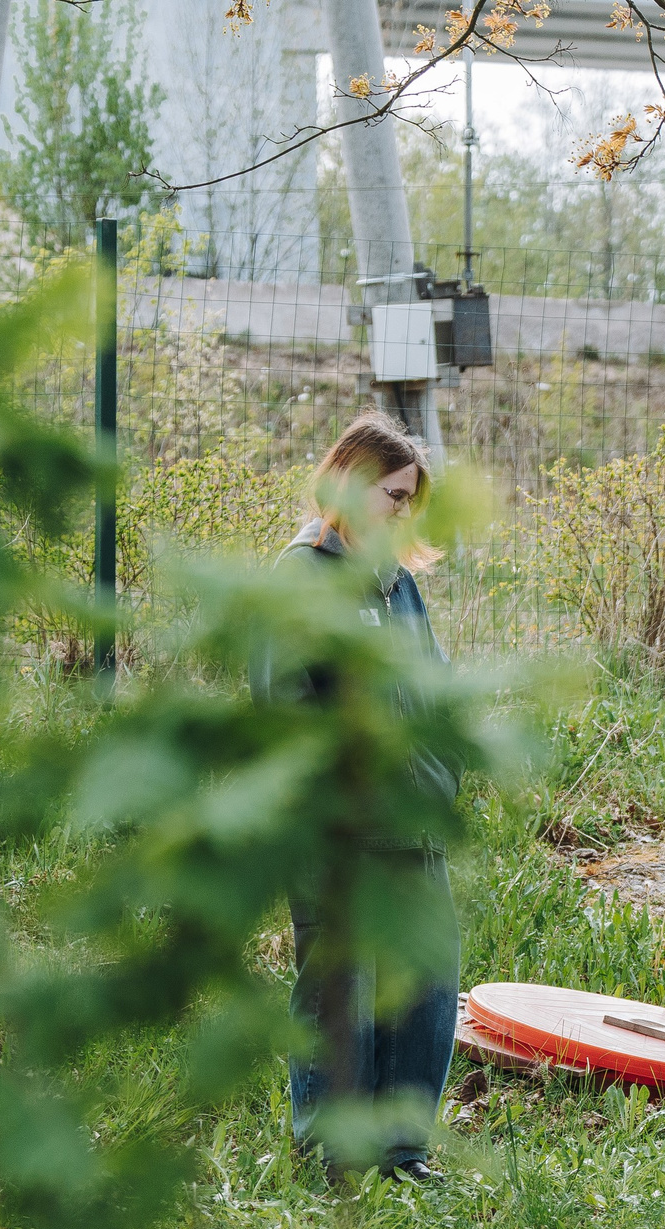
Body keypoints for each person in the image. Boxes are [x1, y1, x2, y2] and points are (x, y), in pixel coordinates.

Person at [259, 412, 462, 1181]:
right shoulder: (300, 576)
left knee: (428, 982)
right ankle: (327, 1152)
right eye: (392, 494)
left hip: (414, 821)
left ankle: (402, 1150)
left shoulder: (398, 582)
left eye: (411, 500)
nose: (402, 512)